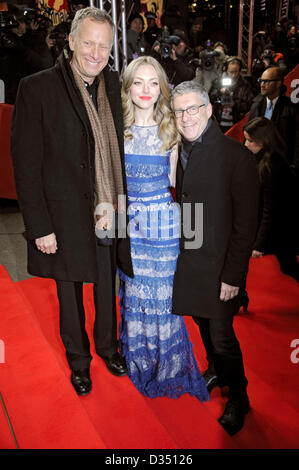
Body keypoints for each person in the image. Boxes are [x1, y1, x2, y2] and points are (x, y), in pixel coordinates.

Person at [11, 7, 133, 396]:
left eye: (104, 46)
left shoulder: (114, 86)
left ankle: (108, 348)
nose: (96, 53)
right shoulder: (37, 88)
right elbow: (25, 164)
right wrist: (39, 225)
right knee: (70, 295)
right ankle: (79, 362)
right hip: (63, 215)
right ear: (71, 42)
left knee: (105, 286)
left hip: (107, 208)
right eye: (88, 43)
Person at [171, 80, 259, 435]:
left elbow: (245, 224)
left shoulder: (237, 156)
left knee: (222, 333)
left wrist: (234, 277)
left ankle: (240, 396)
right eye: (179, 111)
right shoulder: (178, 152)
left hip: (222, 267)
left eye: (193, 108)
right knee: (202, 323)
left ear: (209, 110)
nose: (186, 117)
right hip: (191, 262)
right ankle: (216, 370)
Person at [118, 56, 209, 402]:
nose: (146, 90)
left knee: (165, 300)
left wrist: (195, 232)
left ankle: (168, 365)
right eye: (138, 82)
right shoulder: (118, 128)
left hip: (163, 226)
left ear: (162, 89)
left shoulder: (171, 127)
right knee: (137, 296)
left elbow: (178, 184)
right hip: (131, 228)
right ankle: (139, 359)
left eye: (153, 82)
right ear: (128, 87)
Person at [244, 117, 299, 281]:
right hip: (278, 226)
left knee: (289, 266)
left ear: (262, 141)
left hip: (283, 228)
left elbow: (270, 209)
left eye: (250, 141)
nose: (246, 145)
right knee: (288, 266)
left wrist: (259, 243)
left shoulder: (272, 166)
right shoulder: (263, 159)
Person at [248, 66, 299, 174]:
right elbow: (248, 135)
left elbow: (297, 138)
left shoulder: (291, 108)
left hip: (282, 165)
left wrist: (294, 165)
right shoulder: (256, 105)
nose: (262, 84)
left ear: (279, 83)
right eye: (261, 81)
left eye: (267, 81)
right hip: (257, 163)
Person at [210, 57, 255, 133]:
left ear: (240, 71)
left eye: (236, 72)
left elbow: (249, 105)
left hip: (235, 124)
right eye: (231, 72)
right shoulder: (218, 82)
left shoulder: (244, 85)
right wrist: (219, 92)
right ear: (226, 70)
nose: (233, 75)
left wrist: (235, 104)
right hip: (218, 122)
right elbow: (210, 98)